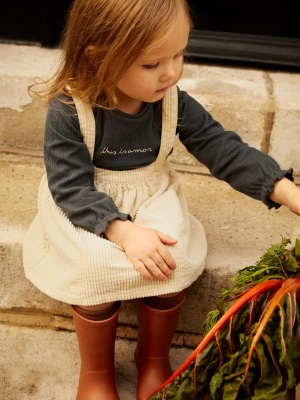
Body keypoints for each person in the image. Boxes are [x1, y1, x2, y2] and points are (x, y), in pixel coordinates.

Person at [23, 0, 300, 399]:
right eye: (152, 64)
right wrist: (123, 232)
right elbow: (70, 187)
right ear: (98, 57)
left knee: (171, 260)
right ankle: (97, 372)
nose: (170, 72)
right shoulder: (70, 111)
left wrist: (285, 190)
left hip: (151, 194)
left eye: (179, 54)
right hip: (88, 205)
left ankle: (152, 359)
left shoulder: (173, 102)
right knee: (90, 267)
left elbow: (223, 148)